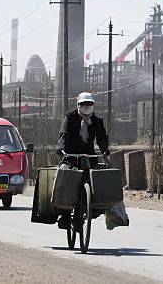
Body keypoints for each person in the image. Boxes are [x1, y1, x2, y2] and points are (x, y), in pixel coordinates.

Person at [56, 92, 110, 229]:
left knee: (98, 180)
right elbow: (64, 135)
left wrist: (104, 150)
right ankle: (65, 214)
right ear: (78, 105)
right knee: (65, 175)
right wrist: (62, 149)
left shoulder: (97, 121)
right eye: (84, 104)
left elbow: (102, 138)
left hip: (89, 157)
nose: (86, 106)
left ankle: (90, 209)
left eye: (89, 104)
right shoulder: (70, 117)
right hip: (71, 156)